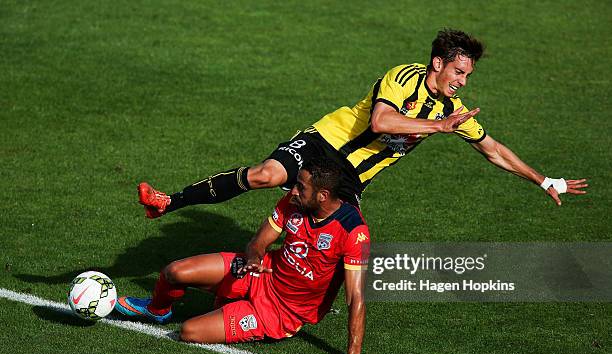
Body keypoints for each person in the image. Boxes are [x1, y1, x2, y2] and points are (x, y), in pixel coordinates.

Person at [138, 28, 587, 218]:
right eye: (458, 72)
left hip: (354, 176)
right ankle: (169, 202)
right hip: (325, 142)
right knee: (264, 175)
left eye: (467, 75)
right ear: (438, 64)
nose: (462, 82)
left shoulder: (453, 112)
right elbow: (382, 119)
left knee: (339, 242)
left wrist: (543, 178)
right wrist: (438, 128)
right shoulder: (405, 77)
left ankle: (269, 285)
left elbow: (493, 149)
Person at [116, 159, 374, 354]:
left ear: (323, 195)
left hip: (280, 313)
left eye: (301, 187)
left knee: (189, 331)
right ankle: (157, 310)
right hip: (260, 274)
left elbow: (356, 297)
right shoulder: (292, 203)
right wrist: (253, 259)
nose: (293, 191)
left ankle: (232, 305)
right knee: (174, 272)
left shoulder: (353, 231)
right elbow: (258, 243)